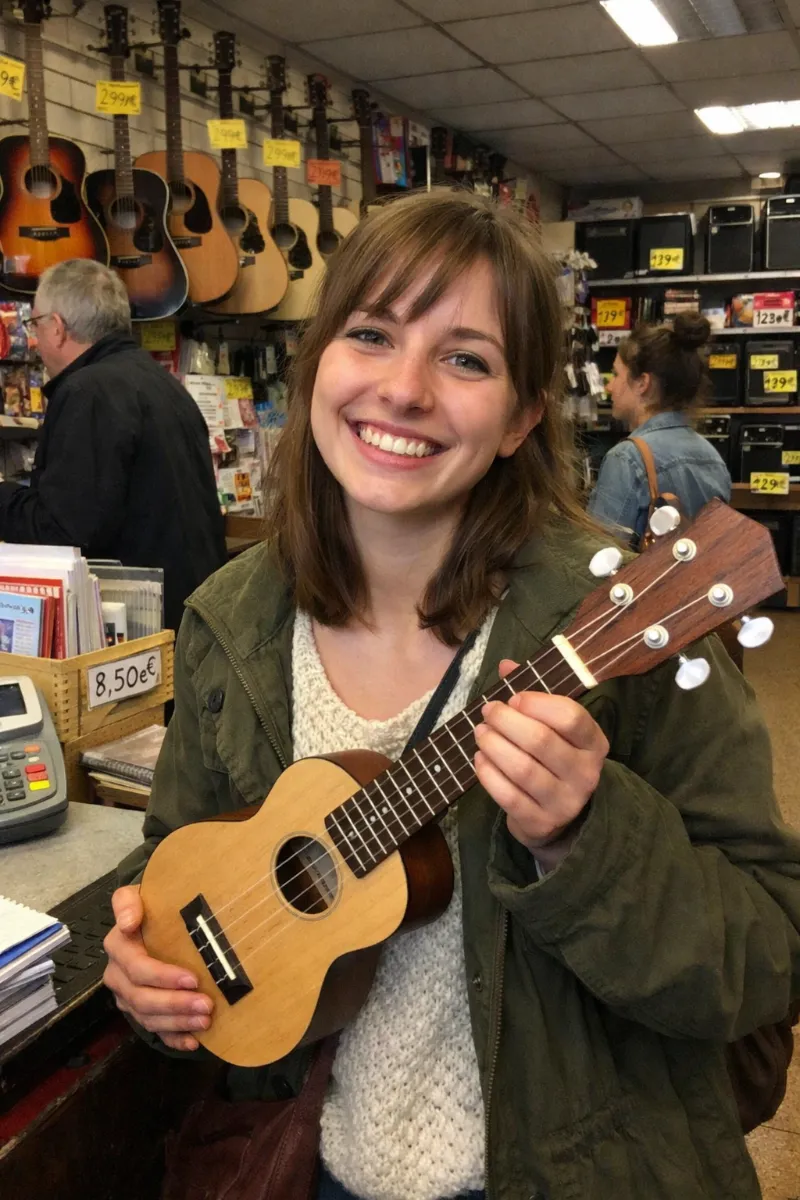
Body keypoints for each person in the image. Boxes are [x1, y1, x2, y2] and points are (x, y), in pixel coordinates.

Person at [105, 191, 800, 1200]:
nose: (402, 389)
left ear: (523, 415)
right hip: (309, 1163)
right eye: (371, 334)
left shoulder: (609, 619)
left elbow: (766, 952)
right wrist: (151, 980)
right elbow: (182, 872)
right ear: (316, 367)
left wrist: (583, 839)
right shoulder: (229, 619)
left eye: (465, 358)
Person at [0, 260, 226, 632]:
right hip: (193, 620)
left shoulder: (88, 392)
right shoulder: (163, 384)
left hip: (142, 634)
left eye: (35, 325)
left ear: (57, 328)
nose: (35, 340)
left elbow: (64, 531)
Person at [587, 314, 732, 547]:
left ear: (642, 383)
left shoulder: (627, 459)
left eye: (616, 375)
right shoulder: (712, 458)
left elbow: (599, 558)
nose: (609, 386)